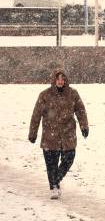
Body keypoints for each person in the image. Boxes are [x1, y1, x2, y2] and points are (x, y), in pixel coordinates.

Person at [28, 69, 89, 199]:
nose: (60, 81)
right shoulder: (45, 95)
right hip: (50, 136)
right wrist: (33, 133)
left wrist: (84, 126)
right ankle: (54, 188)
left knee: (69, 157)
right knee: (51, 164)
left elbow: (81, 111)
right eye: (58, 79)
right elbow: (36, 115)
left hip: (68, 135)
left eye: (62, 79)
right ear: (54, 80)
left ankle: (56, 179)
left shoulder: (73, 94)